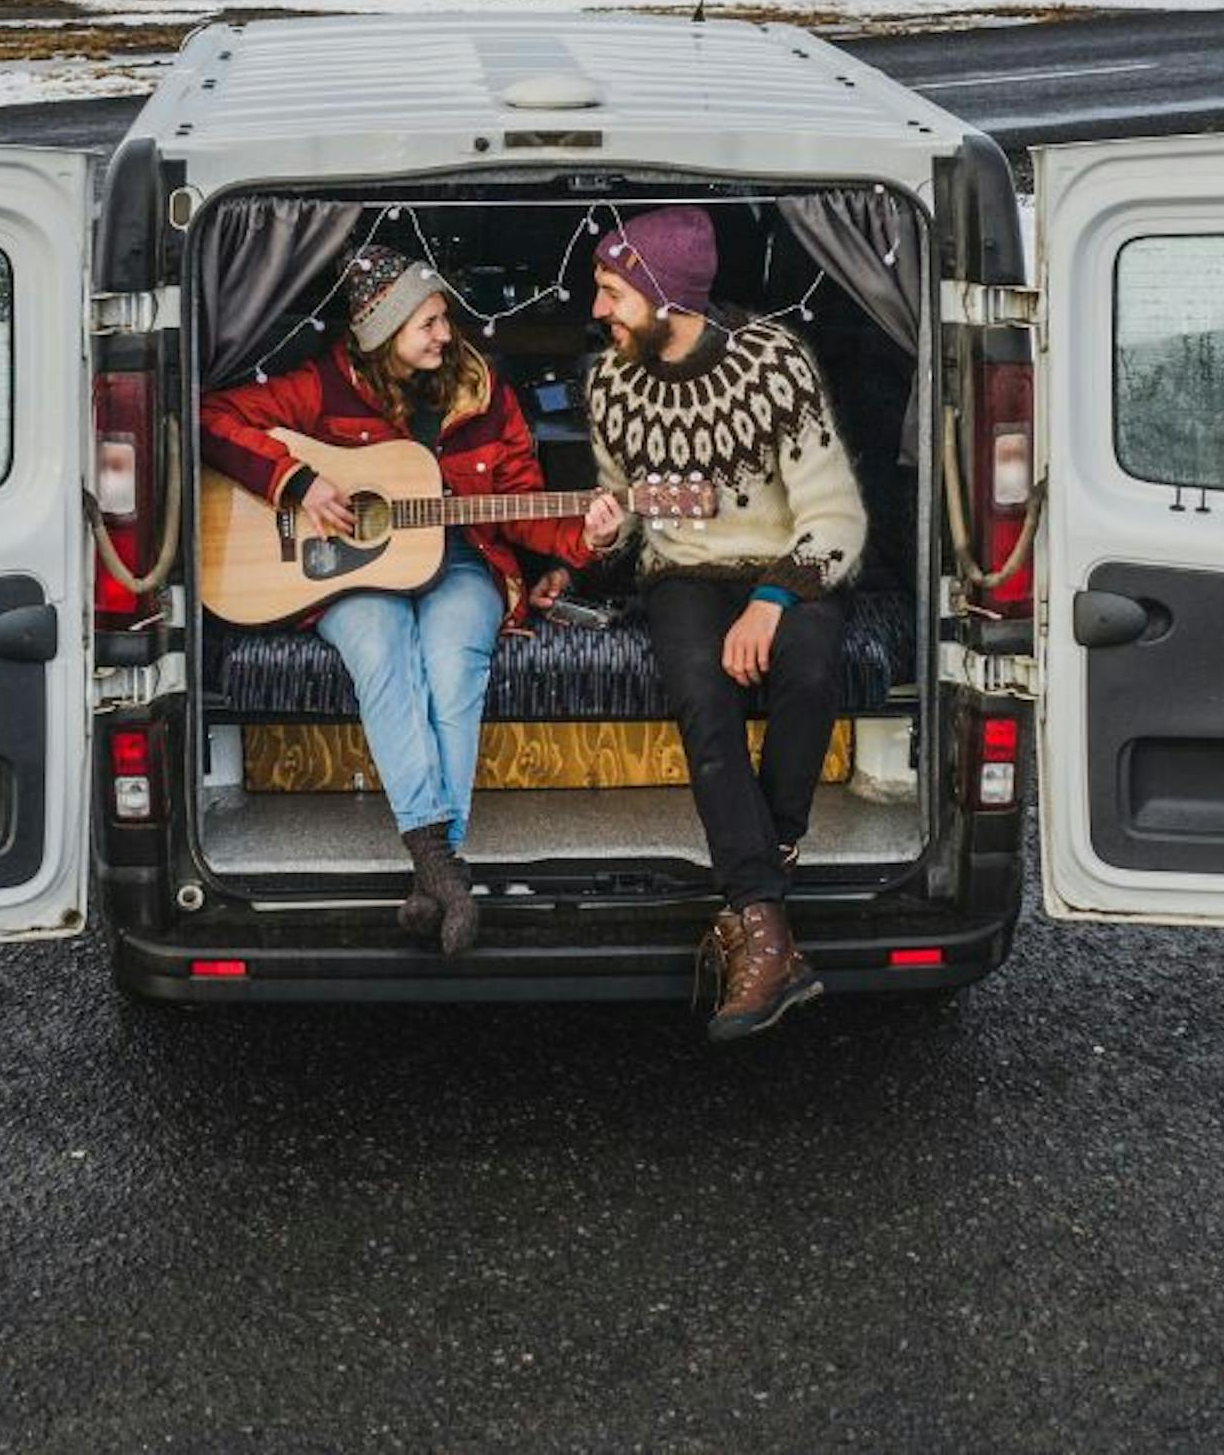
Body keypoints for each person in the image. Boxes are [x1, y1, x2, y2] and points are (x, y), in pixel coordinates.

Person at [198, 245, 601, 953]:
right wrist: (295, 483)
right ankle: (442, 864)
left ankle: (433, 870)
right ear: (382, 332)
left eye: (443, 317)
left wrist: (584, 538)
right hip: (345, 575)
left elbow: (517, 504)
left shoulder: (484, 392)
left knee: (452, 665)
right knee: (382, 652)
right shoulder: (322, 389)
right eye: (428, 323)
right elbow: (209, 417)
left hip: (463, 563)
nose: (447, 335)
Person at [576, 206, 868, 1041]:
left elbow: (837, 519)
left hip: (791, 562)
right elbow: (627, 509)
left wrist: (773, 602)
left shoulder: (773, 368)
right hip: (683, 575)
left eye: (612, 293)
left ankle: (759, 877)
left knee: (808, 671)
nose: (599, 312)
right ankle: (766, 926)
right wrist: (607, 530)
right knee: (702, 695)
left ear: (666, 294)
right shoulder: (610, 383)